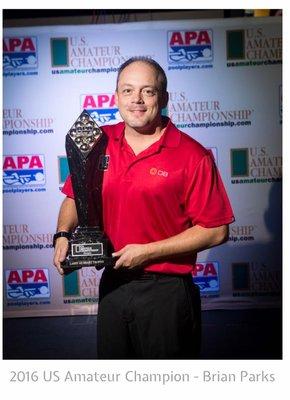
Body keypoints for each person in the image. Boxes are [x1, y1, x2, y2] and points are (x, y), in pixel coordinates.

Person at [53, 57, 234, 359]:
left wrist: (147, 251)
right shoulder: (99, 142)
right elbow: (74, 197)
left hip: (167, 292)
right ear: (116, 97)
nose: (136, 100)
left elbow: (217, 230)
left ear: (163, 98)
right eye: (127, 90)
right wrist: (62, 234)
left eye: (147, 91)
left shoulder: (192, 155)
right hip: (112, 285)